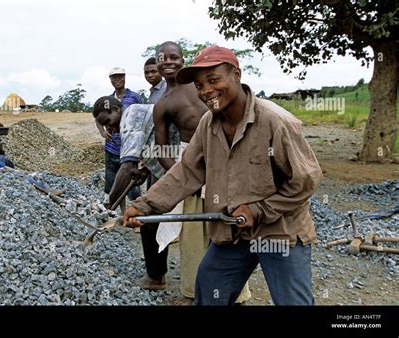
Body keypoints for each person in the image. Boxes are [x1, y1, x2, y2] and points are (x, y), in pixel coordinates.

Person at [124, 45, 323, 305]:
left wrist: (259, 209)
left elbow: (305, 181)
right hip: (234, 229)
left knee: (293, 302)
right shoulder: (208, 124)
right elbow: (187, 170)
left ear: (236, 75)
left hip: (280, 231)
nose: (206, 91)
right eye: (199, 85)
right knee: (209, 291)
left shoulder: (276, 121)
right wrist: (144, 205)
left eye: (214, 80)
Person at [152, 41, 250, 305]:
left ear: (183, 60)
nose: (168, 61)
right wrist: (185, 179)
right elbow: (162, 150)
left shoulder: (207, 88)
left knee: (230, 229)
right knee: (193, 236)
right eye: (162, 58)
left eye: (174, 56)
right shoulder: (162, 105)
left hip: (227, 160)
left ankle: (237, 293)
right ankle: (191, 292)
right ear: (157, 63)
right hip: (191, 164)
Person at [93, 96, 177, 290]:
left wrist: (109, 203)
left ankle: (156, 278)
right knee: (153, 217)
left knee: (149, 220)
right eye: (103, 126)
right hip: (172, 165)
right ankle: (157, 275)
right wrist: (145, 169)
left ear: (117, 109)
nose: (109, 129)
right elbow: (155, 140)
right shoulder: (139, 112)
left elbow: (126, 166)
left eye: (108, 122)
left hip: (181, 167)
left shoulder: (129, 116)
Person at [95, 67, 142, 212]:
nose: (118, 80)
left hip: (129, 147)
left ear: (125, 78)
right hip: (112, 148)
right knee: (113, 180)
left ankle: (136, 213)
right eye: (114, 78)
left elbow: (142, 116)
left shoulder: (134, 97)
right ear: (110, 81)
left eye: (120, 77)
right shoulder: (107, 100)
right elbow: (97, 117)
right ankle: (120, 212)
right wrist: (102, 132)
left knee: (132, 181)